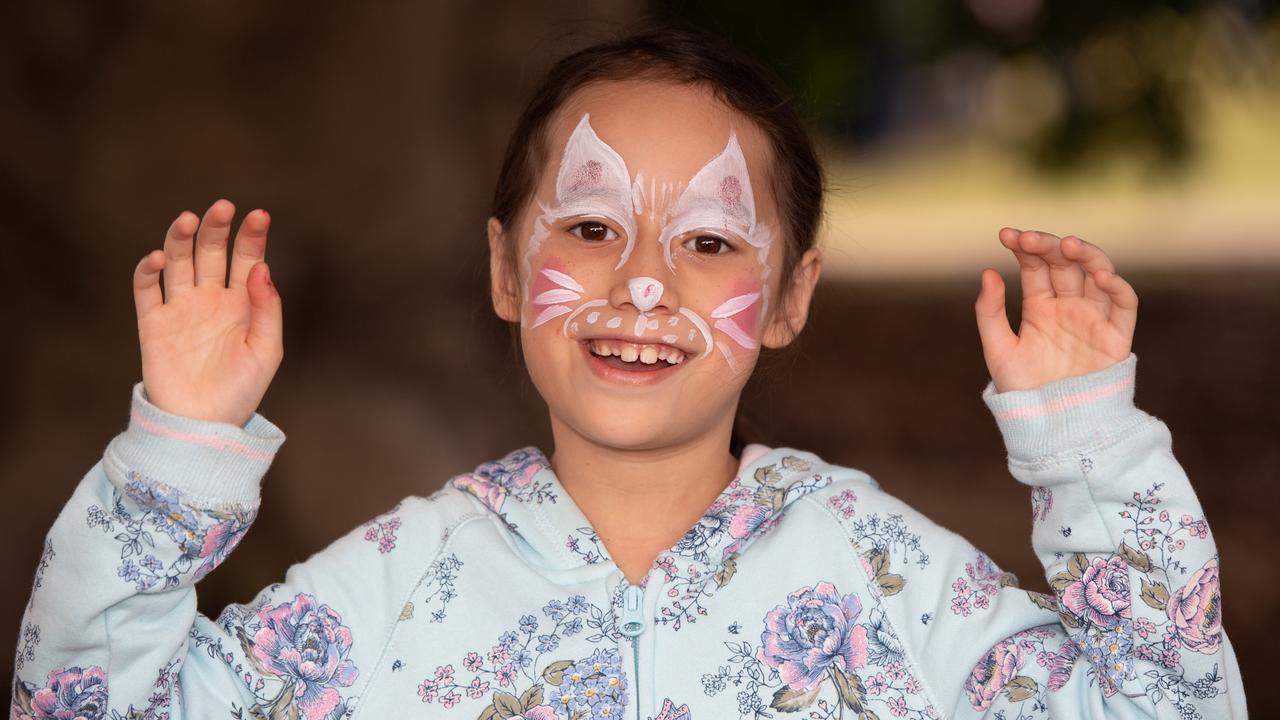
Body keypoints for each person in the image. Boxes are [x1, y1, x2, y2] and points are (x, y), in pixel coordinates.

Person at [10, 27, 1245, 720]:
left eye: (709, 243)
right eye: (590, 227)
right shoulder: (393, 588)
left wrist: (1087, 447)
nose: (640, 286)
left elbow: (1170, 707)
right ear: (503, 270)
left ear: (790, 298)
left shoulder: (884, 576)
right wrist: (179, 440)